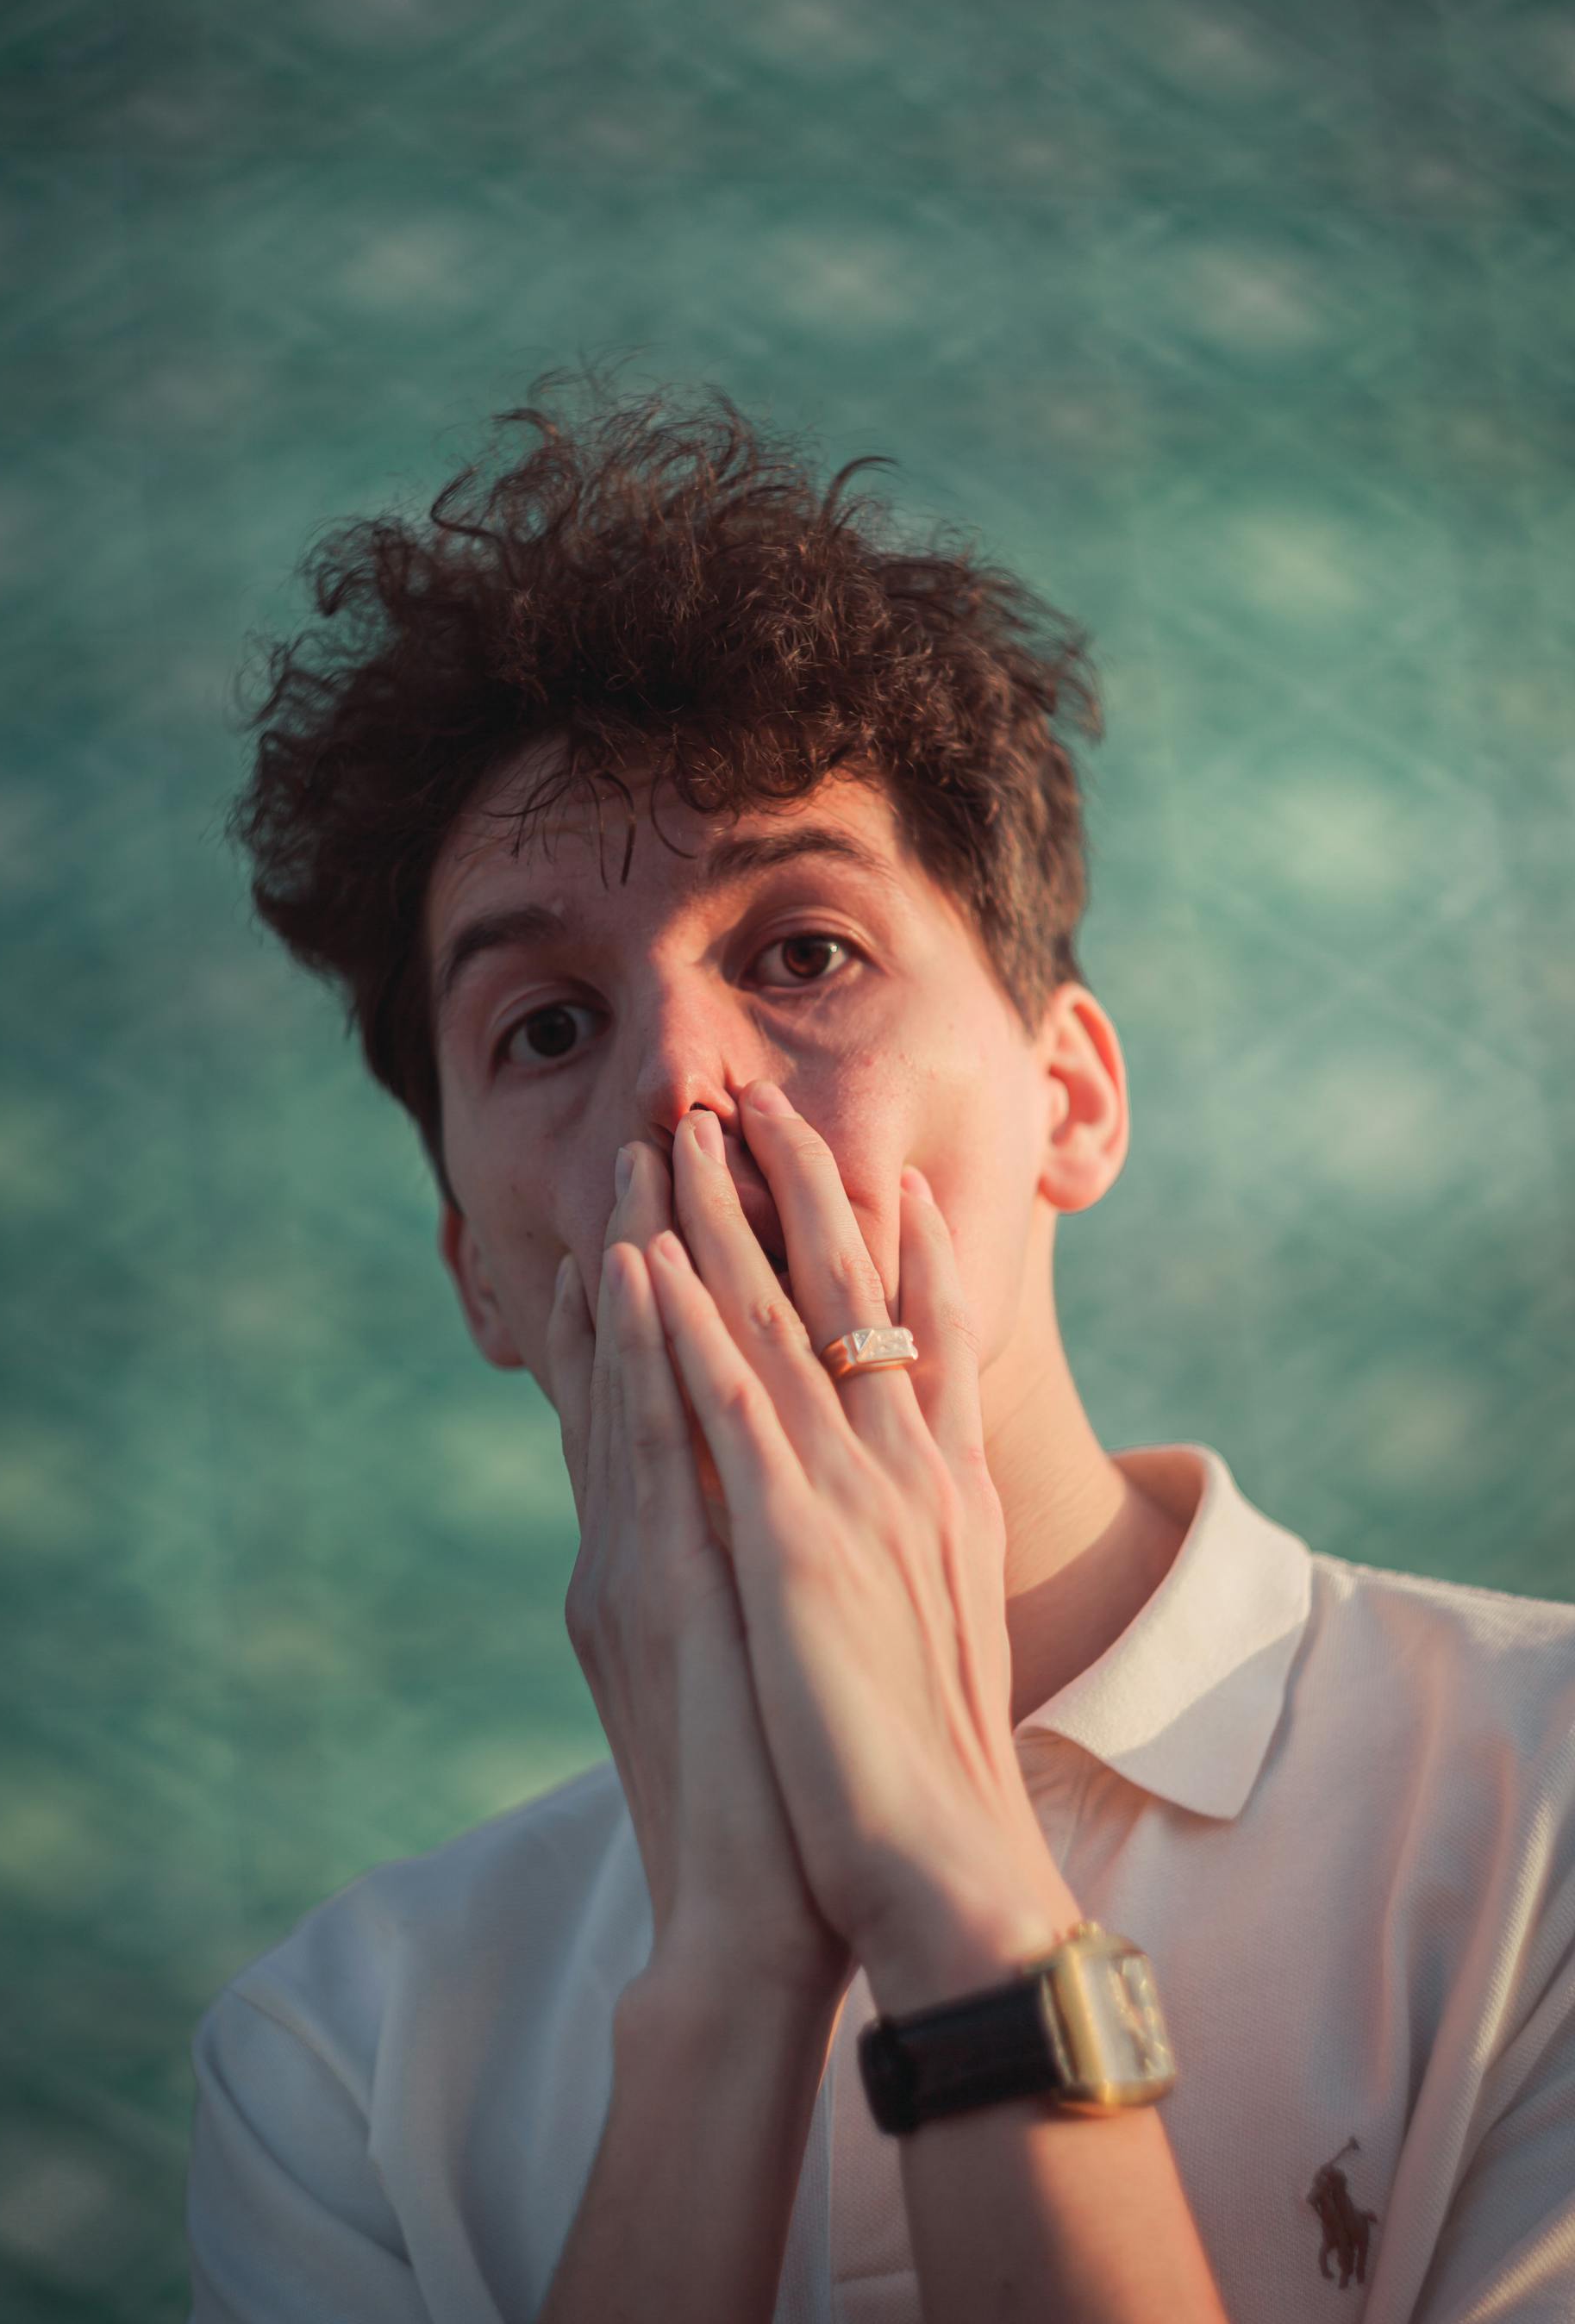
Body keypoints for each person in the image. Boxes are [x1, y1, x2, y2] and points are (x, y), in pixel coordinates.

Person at [191, 364, 1575, 2323]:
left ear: (1072, 1096)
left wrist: (961, 1883)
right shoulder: (337, 2063)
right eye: (550, 1029)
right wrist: (730, 1979)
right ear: (480, 1277)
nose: (680, 1086)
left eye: (803, 951)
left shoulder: (1541, 1810)